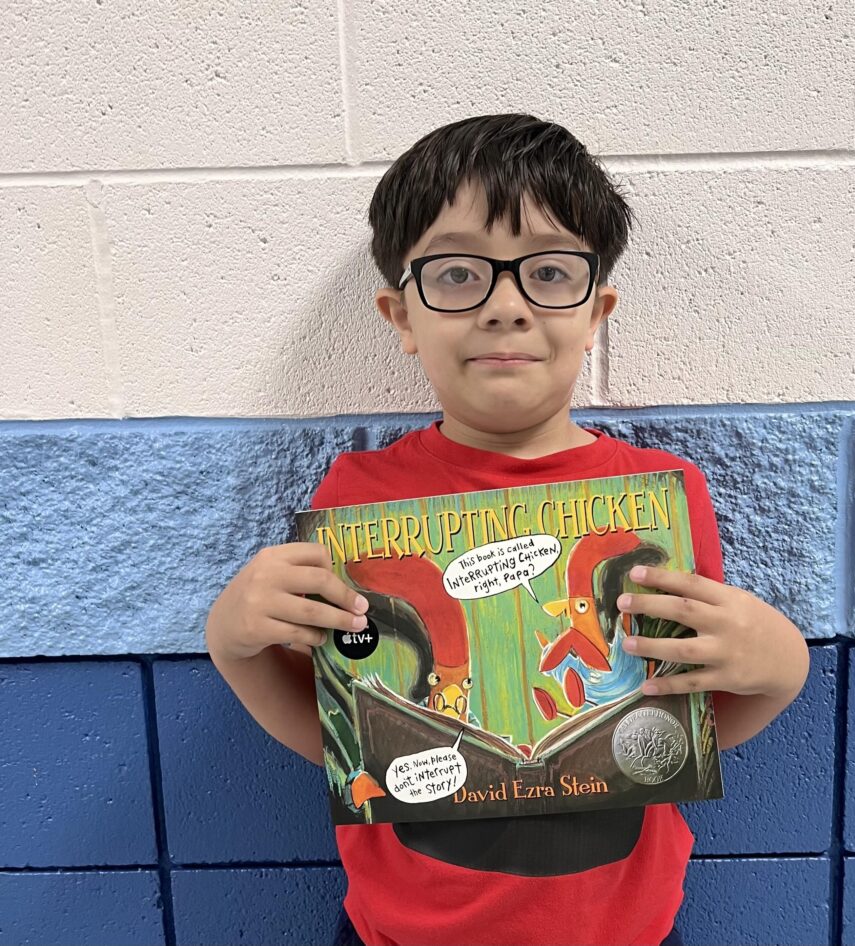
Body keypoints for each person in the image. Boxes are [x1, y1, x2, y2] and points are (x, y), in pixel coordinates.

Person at [205, 113, 810, 946]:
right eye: (458, 275)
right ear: (401, 315)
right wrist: (233, 644)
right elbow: (345, 740)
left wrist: (779, 672)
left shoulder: (657, 498)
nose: (505, 307)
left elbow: (679, 725)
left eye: (549, 273)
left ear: (596, 311)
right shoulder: (356, 500)